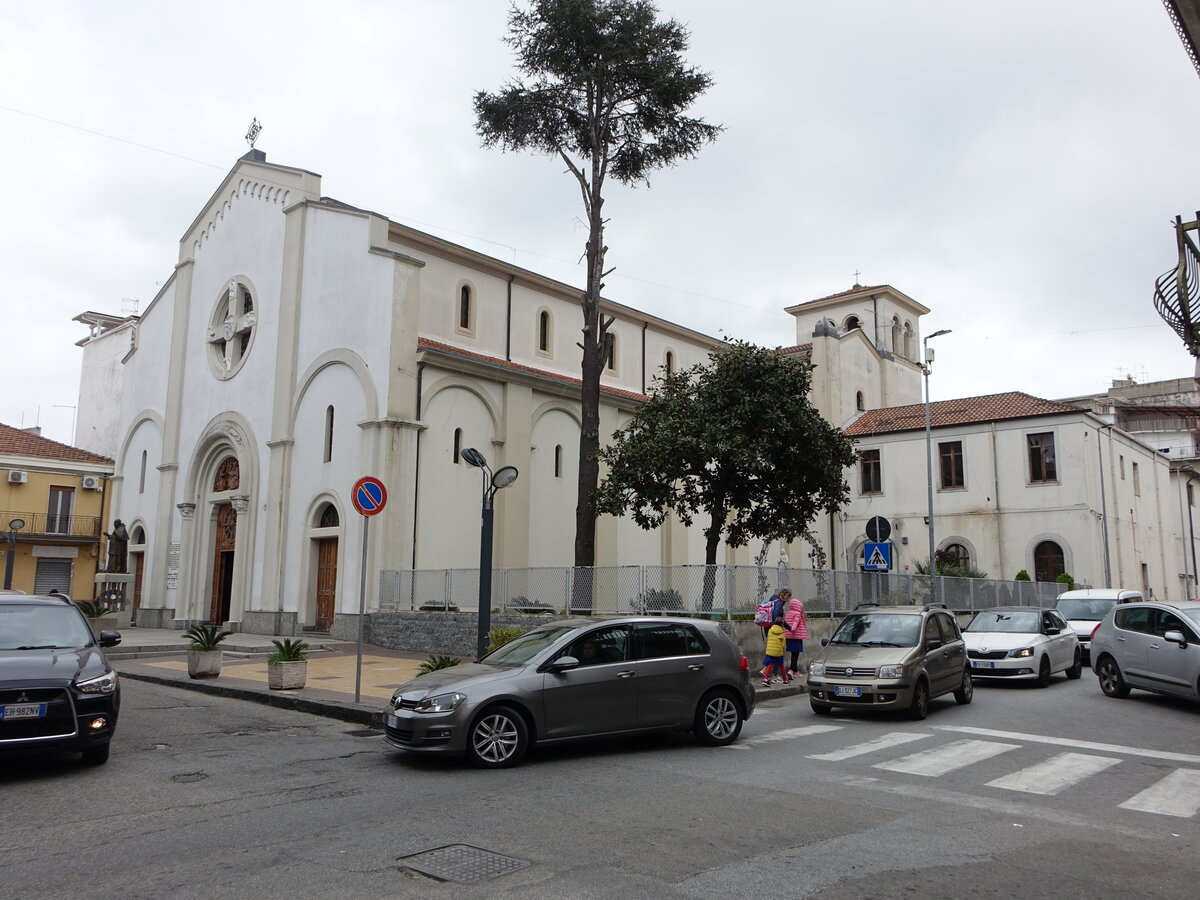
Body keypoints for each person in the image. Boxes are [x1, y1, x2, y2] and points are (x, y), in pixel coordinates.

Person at [784, 593, 809, 677]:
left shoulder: (788, 613)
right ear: (798, 606)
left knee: (793, 653)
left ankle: (795, 671)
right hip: (796, 636)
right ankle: (791, 670)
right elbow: (795, 622)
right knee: (796, 654)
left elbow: (785, 623)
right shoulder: (797, 614)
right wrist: (793, 629)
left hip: (788, 637)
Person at [761, 616, 790, 687]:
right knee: (781, 666)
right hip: (778, 652)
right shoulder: (782, 632)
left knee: (769, 665)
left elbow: (768, 639)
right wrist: (782, 649)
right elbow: (783, 645)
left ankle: (765, 679)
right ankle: (785, 681)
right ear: (782, 624)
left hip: (770, 651)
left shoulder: (770, 630)